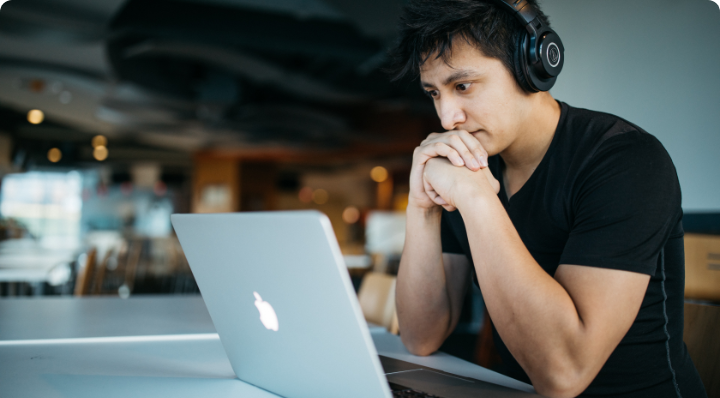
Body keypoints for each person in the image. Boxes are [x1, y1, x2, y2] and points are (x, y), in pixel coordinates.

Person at [389, 1, 707, 397]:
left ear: (532, 66)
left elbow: (564, 374)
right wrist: (422, 207)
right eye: (434, 93)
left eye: (463, 86)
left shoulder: (626, 161)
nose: (447, 117)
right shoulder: (469, 166)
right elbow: (421, 337)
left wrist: (476, 199)